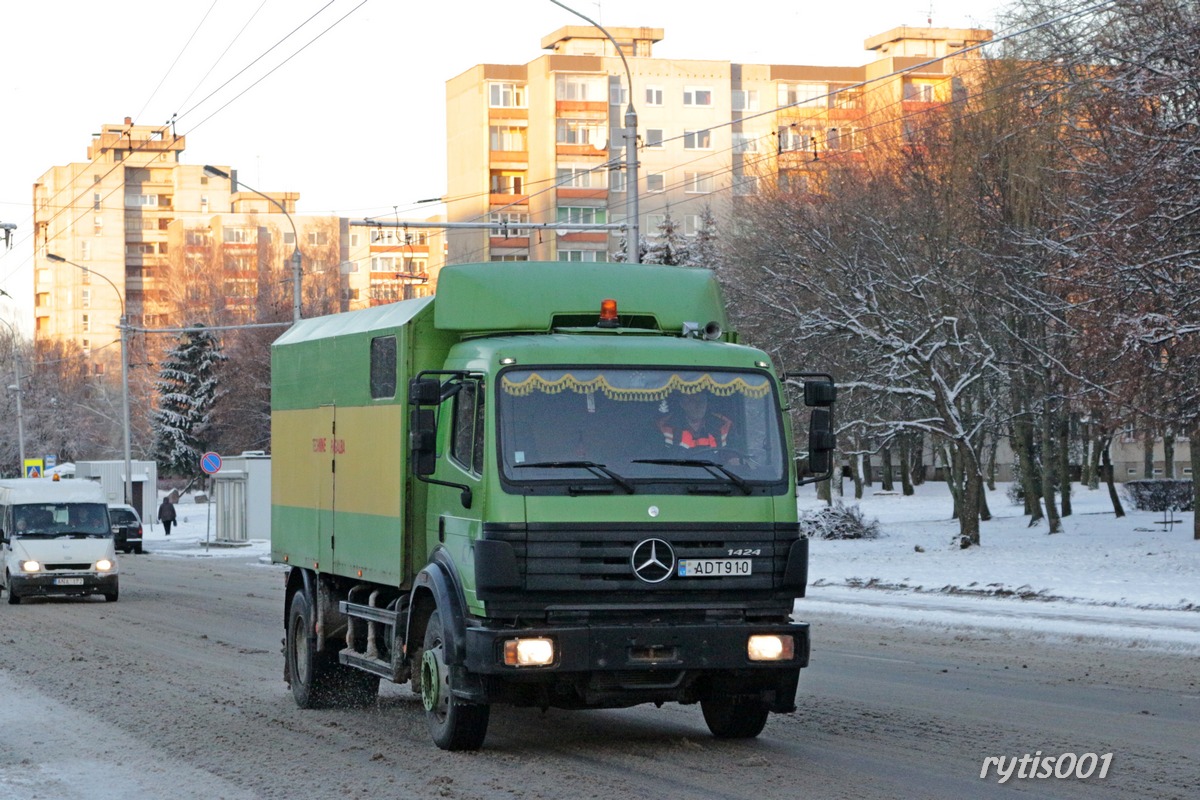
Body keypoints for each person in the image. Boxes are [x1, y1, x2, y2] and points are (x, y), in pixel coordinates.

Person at [658, 392, 732, 450]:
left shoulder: (722, 425)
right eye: (693, 401)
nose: (699, 405)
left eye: (702, 401)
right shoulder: (666, 426)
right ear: (683, 404)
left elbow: (732, 459)